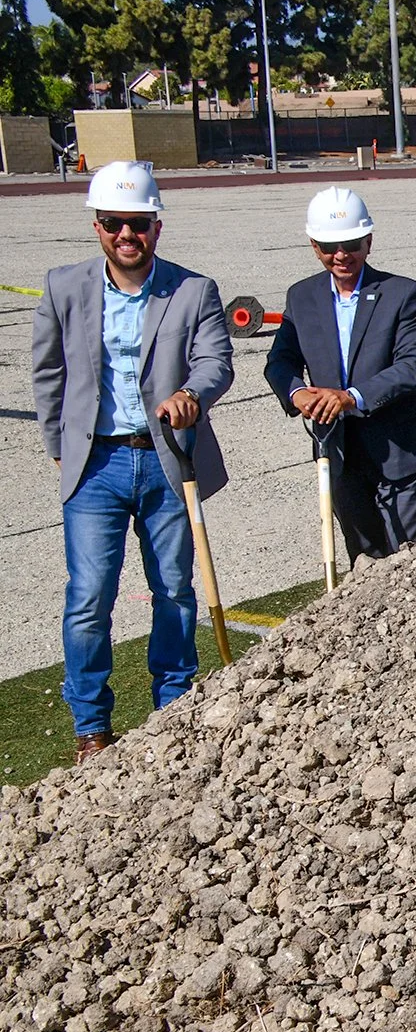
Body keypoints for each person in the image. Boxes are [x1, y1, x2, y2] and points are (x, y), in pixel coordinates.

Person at [30, 160, 234, 763]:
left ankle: (173, 708)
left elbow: (216, 361)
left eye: (138, 223)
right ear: (98, 226)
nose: (127, 235)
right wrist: (61, 449)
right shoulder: (64, 287)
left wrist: (191, 395)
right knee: (89, 596)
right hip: (96, 466)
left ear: (155, 226)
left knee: (173, 589)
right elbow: (47, 375)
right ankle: (91, 725)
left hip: (168, 461)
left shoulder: (192, 290)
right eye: (115, 223)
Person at [265, 187, 416, 562]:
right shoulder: (302, 296)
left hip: (402, 451)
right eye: (329, 246)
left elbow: (412, 366)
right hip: (340, 452)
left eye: (351, 243)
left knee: (410, 560)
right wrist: (298, 393)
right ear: (314, 246)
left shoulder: (404, 293)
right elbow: (279, 361)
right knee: (363, 560)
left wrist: (350, 397)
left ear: (368, 240)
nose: (341, 255)